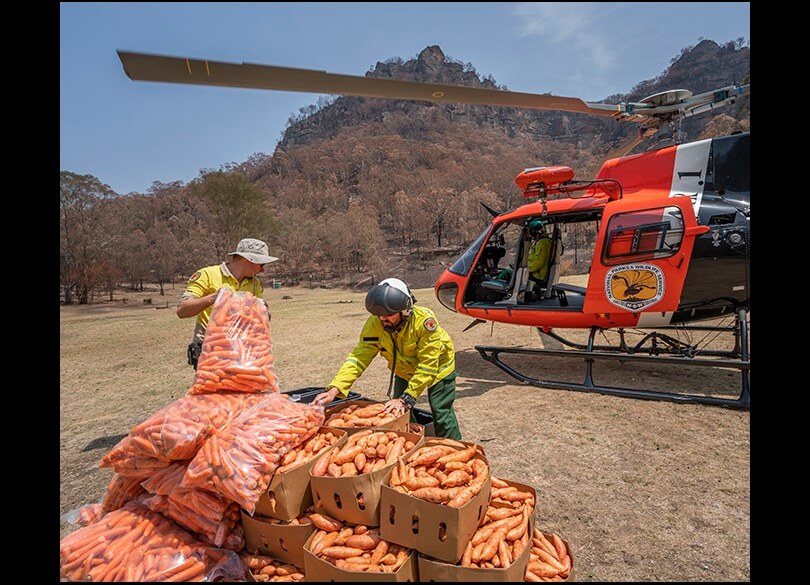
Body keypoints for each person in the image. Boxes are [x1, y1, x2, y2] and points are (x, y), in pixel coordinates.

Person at [312, 278, 461, 440]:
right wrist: (336, 388)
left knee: (441, 411)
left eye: (389, 314)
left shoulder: (424, 323)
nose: (383, 319)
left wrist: (407, 398)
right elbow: (359, 357)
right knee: (396, 412)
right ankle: (413, 441)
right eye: (379, 315)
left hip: (438, 369)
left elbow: (428, 365)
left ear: (405, 310)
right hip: (404, 370)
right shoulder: (376, 323)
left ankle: (453, 445)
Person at [177, 237, 278, 368]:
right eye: (262, 264)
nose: (263, 270)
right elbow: (182, 310)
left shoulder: (255, 283)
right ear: (250, 260)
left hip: (245, 352)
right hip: (211, 353)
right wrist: (213, 298)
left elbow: (261, 320)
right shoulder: (207, 275)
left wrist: (263, 310)